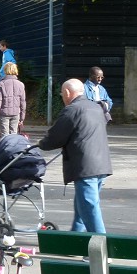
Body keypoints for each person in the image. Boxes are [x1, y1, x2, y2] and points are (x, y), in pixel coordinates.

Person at [38, 78, 112, 233]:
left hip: (85, 166)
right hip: (102, 164)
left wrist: (42, 144)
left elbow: (55, 137)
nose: (62, 97)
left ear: (67, 92)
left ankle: (102, 244)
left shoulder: (72, 110)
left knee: (89, 208)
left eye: (61, 94)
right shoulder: (96, 107)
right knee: (82, 207)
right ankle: (75, 239)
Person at [0, 61, 26, 137]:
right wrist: (22, 118)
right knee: (14, 135)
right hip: (16, 113)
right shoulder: (21, 84)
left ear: (5, 70)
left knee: (5, 135)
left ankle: (6, 145)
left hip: (4, 114)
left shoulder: (1, 84)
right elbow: (23, 103)